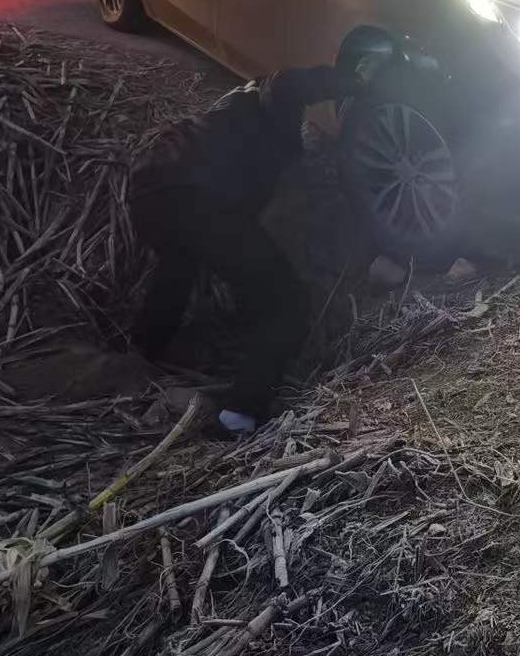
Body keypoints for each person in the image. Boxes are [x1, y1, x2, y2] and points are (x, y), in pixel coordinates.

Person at [128, 65, 357, 432]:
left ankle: (141, 351)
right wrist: (355, 81)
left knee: (178, 264)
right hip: (199, 200)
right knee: (287, 302)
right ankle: (241, 414)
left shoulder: (235, 104)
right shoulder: (273, 113)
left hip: (148, 191)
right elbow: (292, 82)